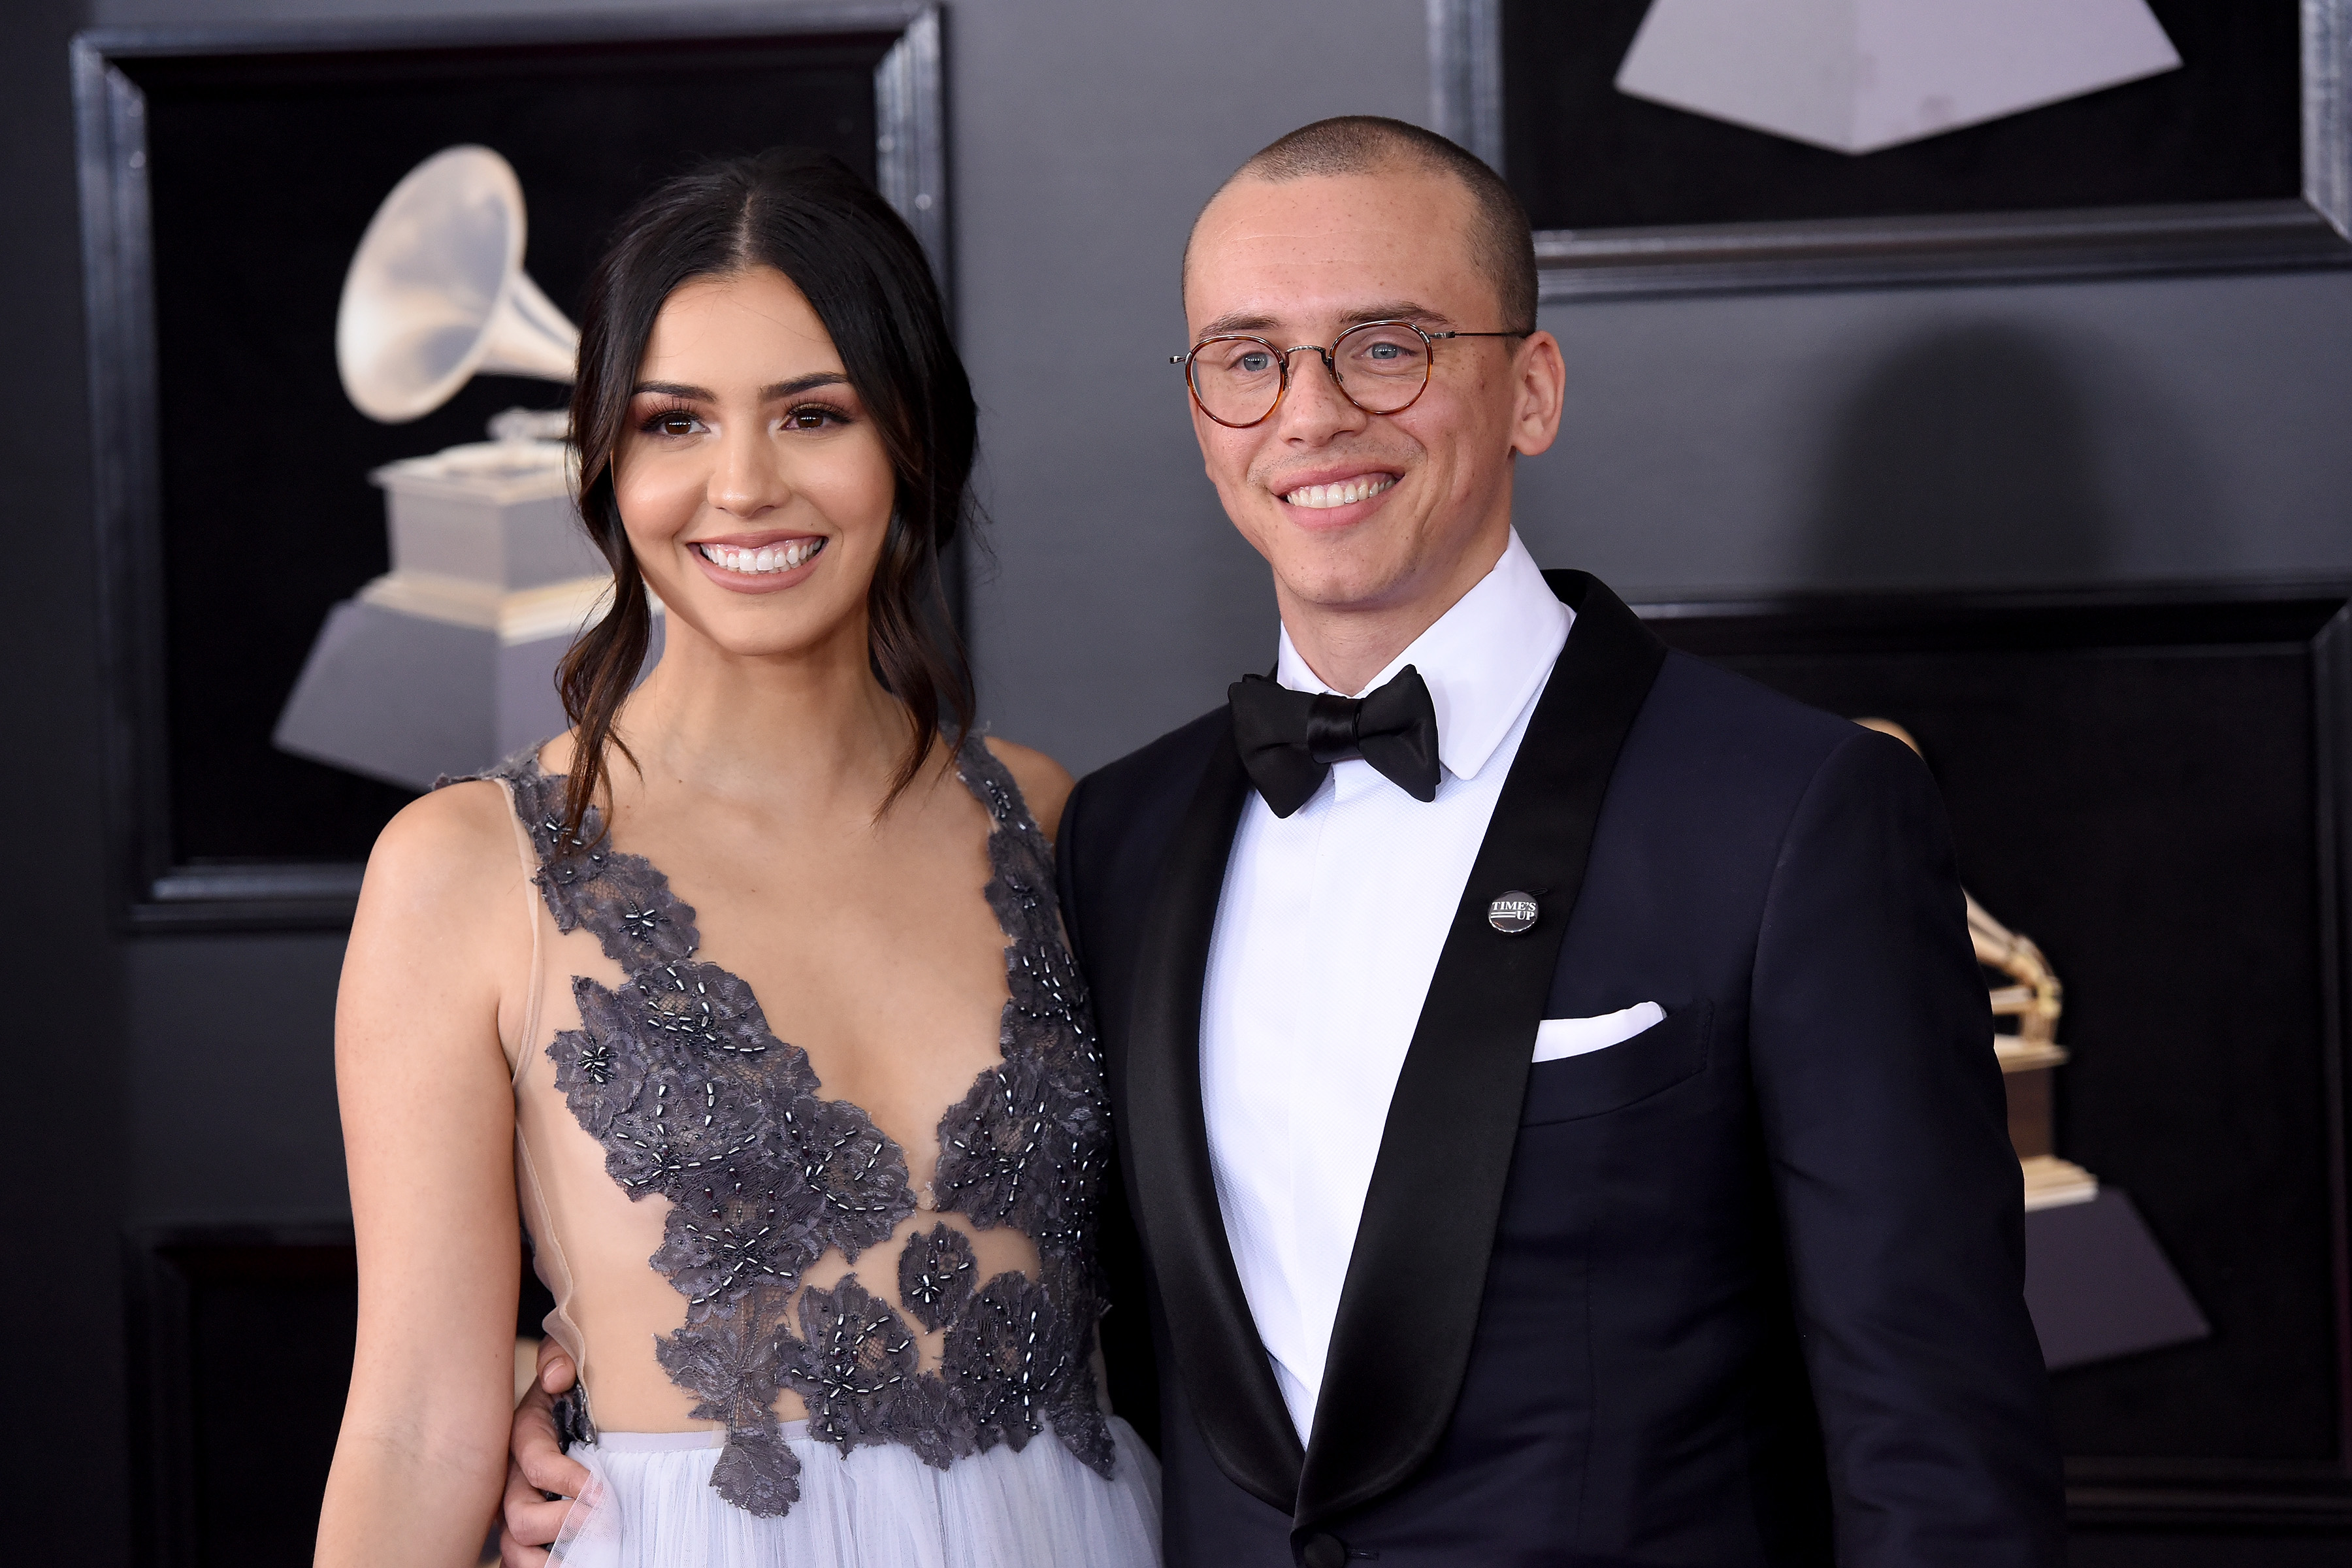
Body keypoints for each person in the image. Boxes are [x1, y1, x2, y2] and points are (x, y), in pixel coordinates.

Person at [512, 116, 2065, 1565]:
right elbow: (1003, 1261)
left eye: (1386, 346)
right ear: (1201, 415)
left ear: (1530, 386)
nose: (1313, 412)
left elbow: (1935, 1441)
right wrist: (572, 1377)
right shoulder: (1109, 835)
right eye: (1248, 360)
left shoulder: (1791, 812)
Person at [319, 147, 1160, 1568]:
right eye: (676, 423)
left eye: (812, 413)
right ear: (606, 458)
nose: (746, 485)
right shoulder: (466, 868)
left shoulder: (1044, 816)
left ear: (913, 440)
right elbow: (413, 1421)